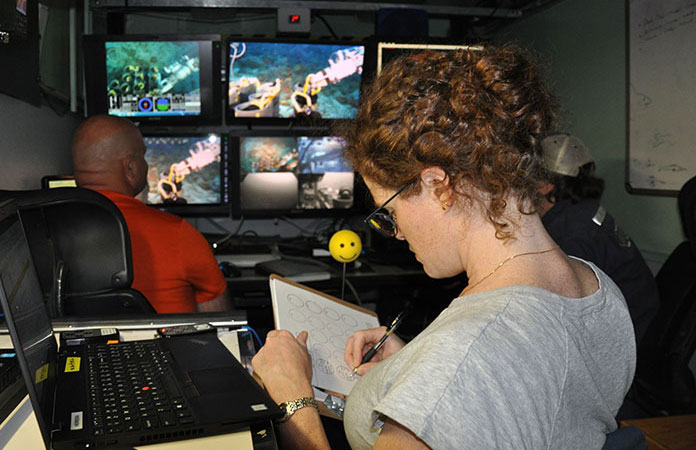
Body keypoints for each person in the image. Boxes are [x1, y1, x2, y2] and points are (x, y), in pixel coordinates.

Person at [251, 45, 635, 449]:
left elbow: (475, 365)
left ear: (439, 186)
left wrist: (293, 399)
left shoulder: (462, 359)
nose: (395, 232)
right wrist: (413, 367)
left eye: (390, 210)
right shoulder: (599, 288)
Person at [71, 114, 232, 313]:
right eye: (143, 156)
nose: (146, 165)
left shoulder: (47, 228)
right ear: (130, 167)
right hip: (166, 345)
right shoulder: (179, 234)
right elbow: (220, 321)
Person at [538, 133, 660, 345]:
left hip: (628, 337)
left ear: (545, 185)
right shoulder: (582, 210)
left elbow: (569, 320)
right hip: (643, 321)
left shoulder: (569, 235)